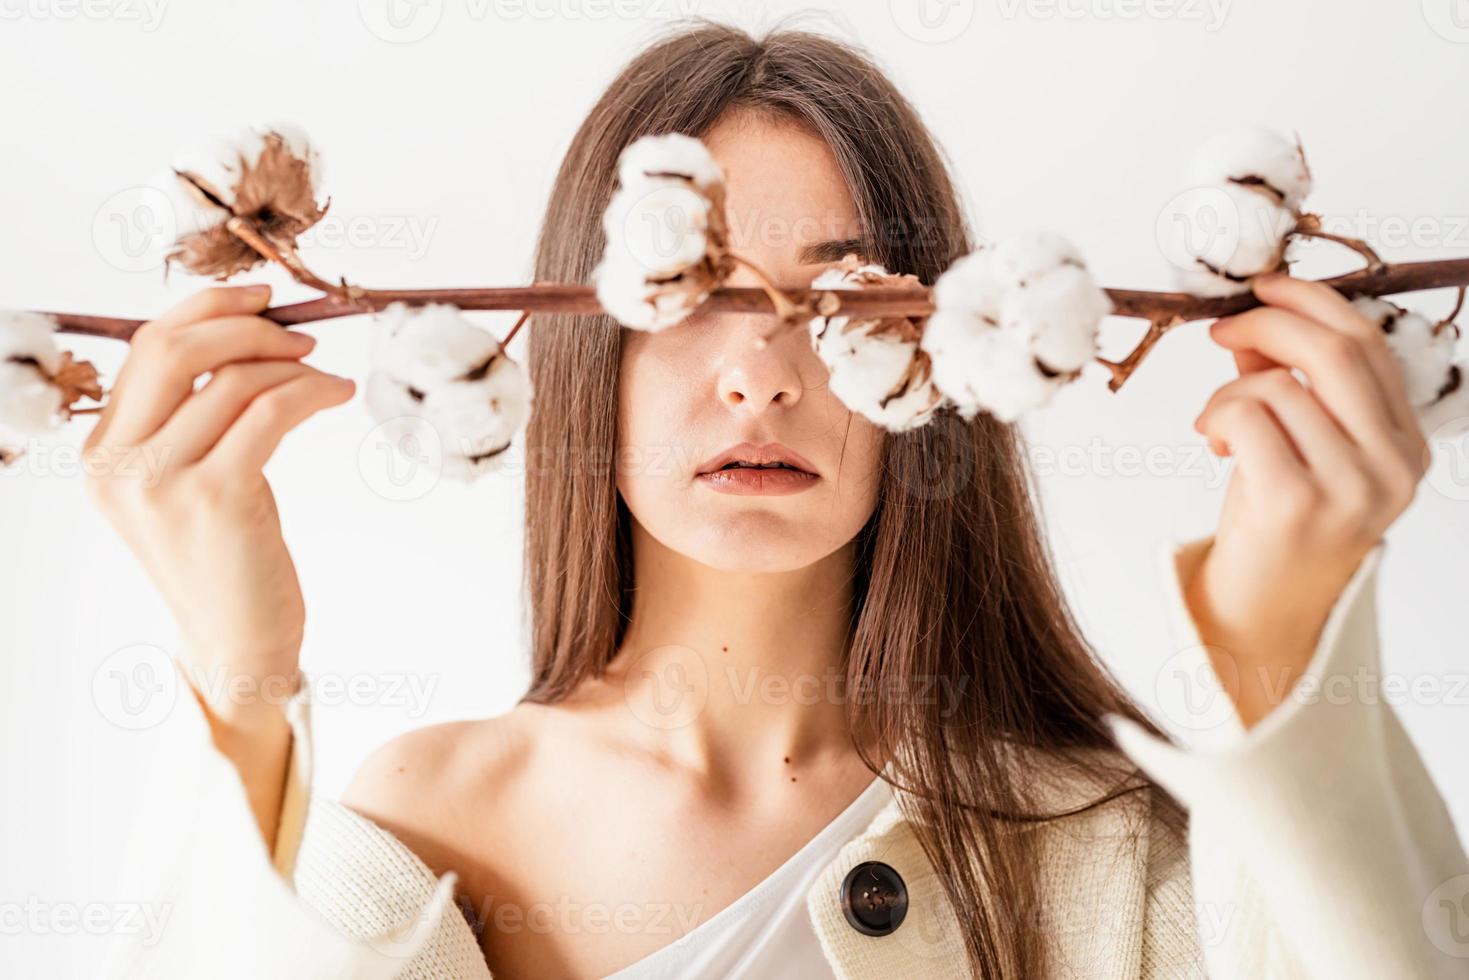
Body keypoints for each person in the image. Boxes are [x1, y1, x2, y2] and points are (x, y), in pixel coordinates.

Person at [89, 22, 1467, 980]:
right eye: (686, 298)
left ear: (936, 360)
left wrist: (1281, 627)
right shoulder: (423, 825)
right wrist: (239, 668)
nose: (757, 374)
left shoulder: (1108, 842)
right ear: (584, 345)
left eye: (837, 298)